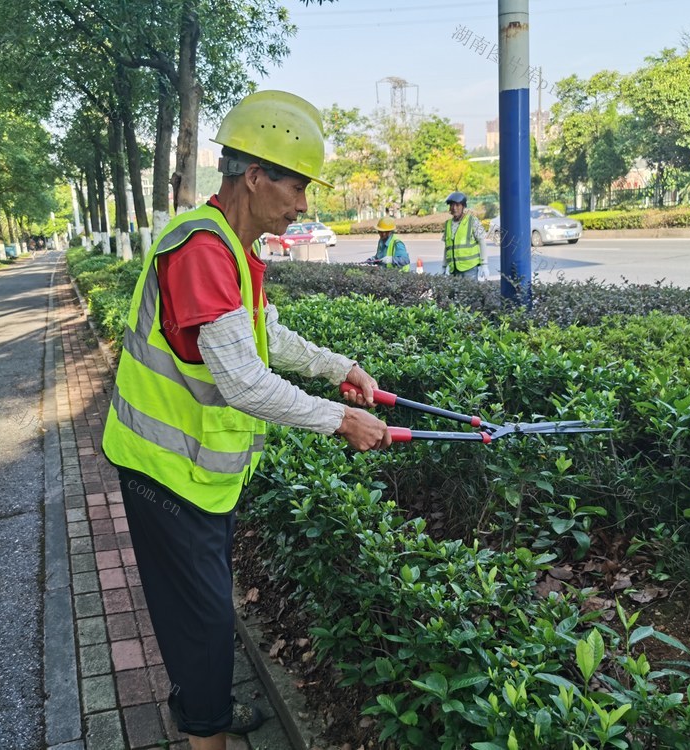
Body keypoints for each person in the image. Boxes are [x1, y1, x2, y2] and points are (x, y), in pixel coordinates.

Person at [100, 90, 391, 750]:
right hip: (164, 472)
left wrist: (339, 367)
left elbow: (264, 336)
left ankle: (204, 705)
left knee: (201, 612)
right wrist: (340, 420)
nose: (303, 206)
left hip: (201, 475)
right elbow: (242, 381)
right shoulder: (202, 251)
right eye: (298, 187)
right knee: (202, 622)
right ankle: (206, 727)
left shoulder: (231, 246)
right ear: (256, 176)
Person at [441, 191, 488, 280]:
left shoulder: (472, 221)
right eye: (452, 205)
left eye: (457, 205)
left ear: (463, 206)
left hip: (470, 269)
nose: (454, 208)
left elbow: (482, 242)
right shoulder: (448, 224)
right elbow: (447, 248)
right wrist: (443, 266)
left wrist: (484, 265)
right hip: (453, 269)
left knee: (469, 289)